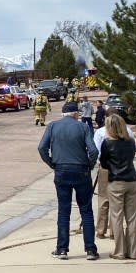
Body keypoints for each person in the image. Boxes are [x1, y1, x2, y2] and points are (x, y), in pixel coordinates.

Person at [38, 101, 99, 260]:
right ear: (76, 114)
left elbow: (41, 147)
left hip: (61, 169)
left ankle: (62, 248)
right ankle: (90, 250)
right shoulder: (83, 127)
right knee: (86, 210)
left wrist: (51, 162)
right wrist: (90, 165)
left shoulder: (52, 126)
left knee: (63, 211)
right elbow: (93, 150)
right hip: (81, 170)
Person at [98, 114, 136, 260]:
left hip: (116, 181)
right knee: (132, 218)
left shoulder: (107, 143)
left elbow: (103, 163)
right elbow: (132, 156)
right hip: (132, 180)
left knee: (117, 217)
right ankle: (132, 252)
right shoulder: (131, 142)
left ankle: (120, 251)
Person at [92, 109, 135, 239]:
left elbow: (96, 151)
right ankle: (114, 230)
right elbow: (133, 151)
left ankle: (101, 229)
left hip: (106, 168)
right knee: (118, 202)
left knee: (104, 200)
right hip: (125, 168)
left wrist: (98, 163)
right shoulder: (128, 132)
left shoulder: (100, 132)